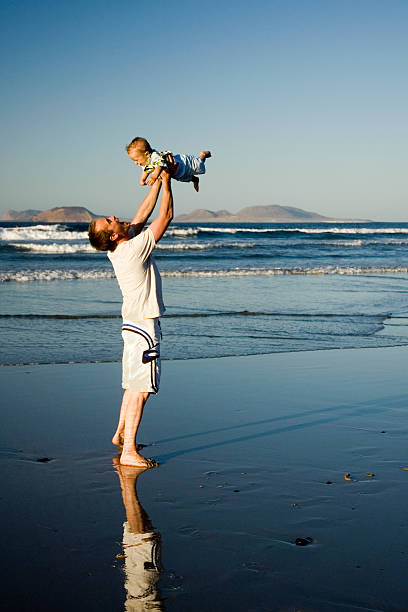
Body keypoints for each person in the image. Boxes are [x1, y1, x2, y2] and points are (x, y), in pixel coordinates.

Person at [88, 171, 174, 468]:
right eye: (109, 221)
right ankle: (128, 453)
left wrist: (156, 180)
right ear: (112, 235)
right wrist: (167, 181)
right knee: (141, 390)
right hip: (143, 328)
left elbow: (141, 215)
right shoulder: (134, 250)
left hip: (132, 325)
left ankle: (121, 434)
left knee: (132, 385)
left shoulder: (119, 249)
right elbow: (166, 215)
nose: (113, 216)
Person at [126, 136, 211, 192]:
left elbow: (159, 166)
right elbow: (145, 170)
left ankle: (202, 156)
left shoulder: (155, 156)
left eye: (136, 160)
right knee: (183, 178)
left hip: (183, 163)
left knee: (200, 167)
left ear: (147, 154)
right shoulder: (145, 163)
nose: (136, 163)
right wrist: (142, 180)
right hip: (177, 173)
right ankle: (194, 179)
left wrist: (154, 176)